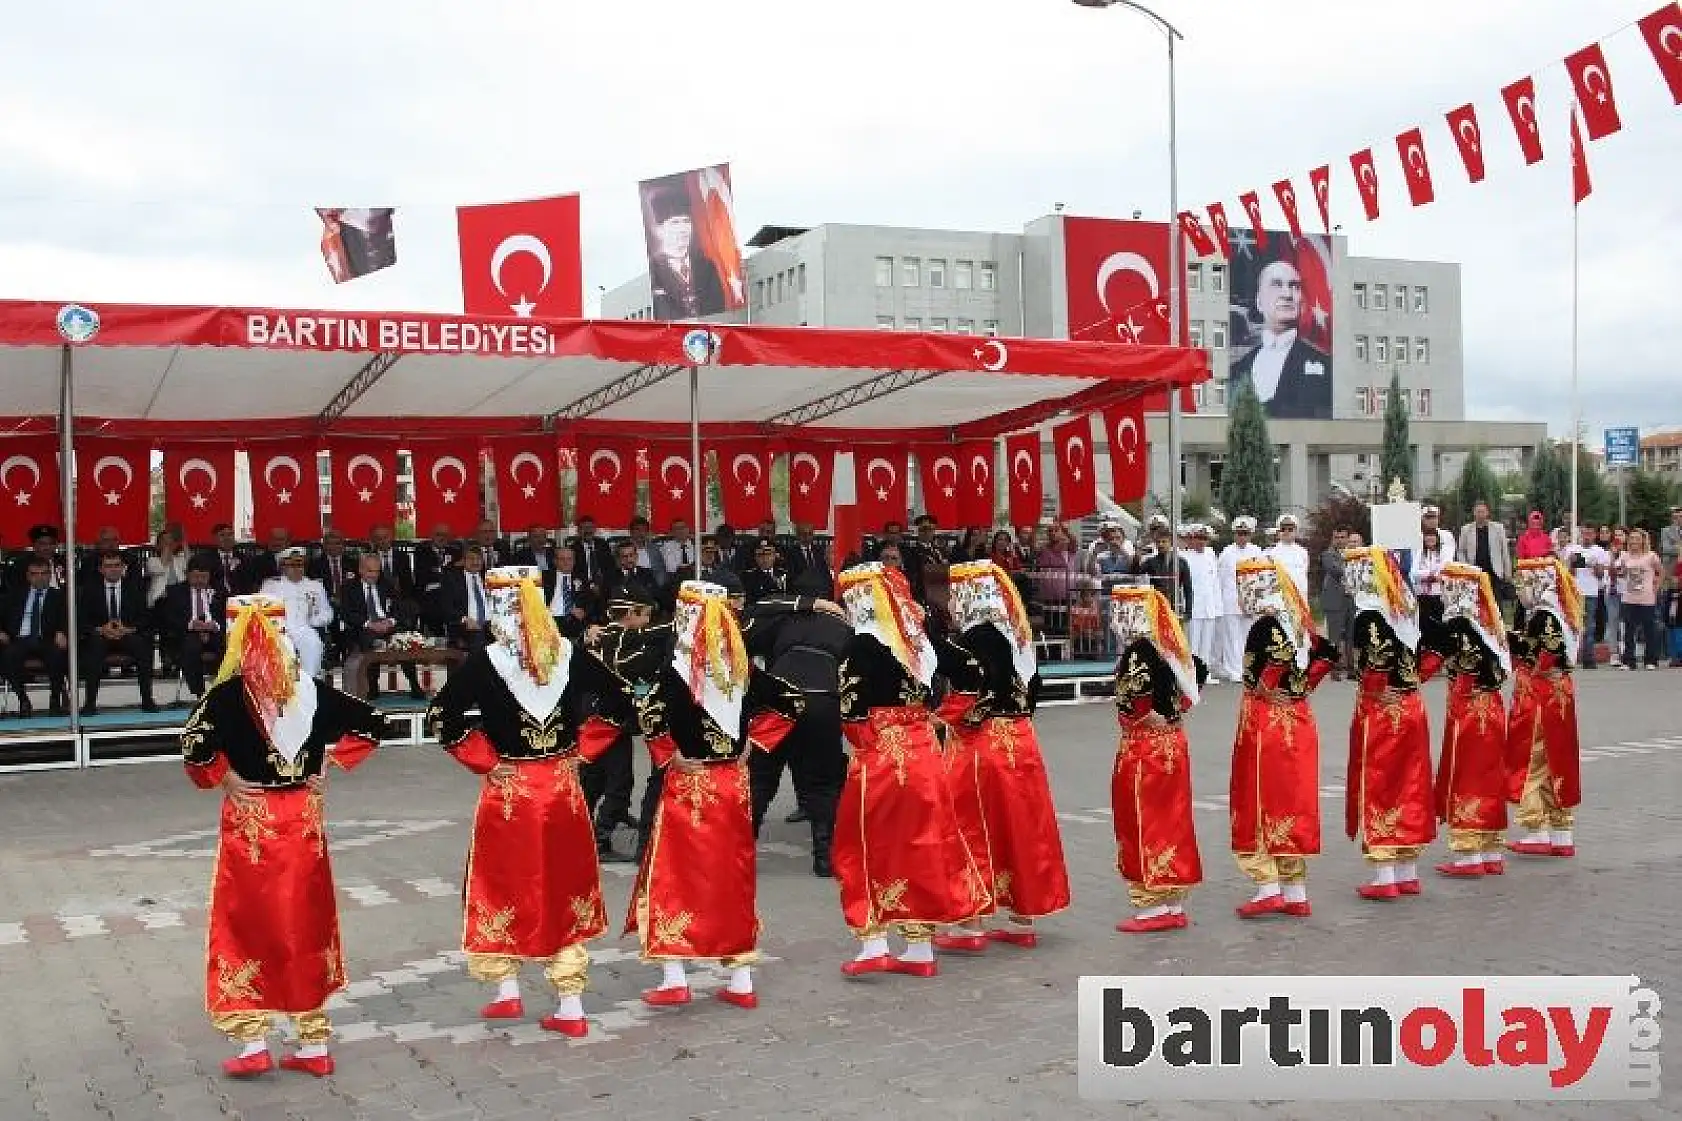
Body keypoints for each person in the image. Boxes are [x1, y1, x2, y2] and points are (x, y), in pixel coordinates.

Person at [179, 594, 384, 1078]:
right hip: (302, 819)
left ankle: (253, 1041)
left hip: (252, 821)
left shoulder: (227, 695)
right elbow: (375, 722)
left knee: (247, 924)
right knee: (305, 920)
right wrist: (330, 760)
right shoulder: (310, 690)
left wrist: (224, 776)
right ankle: (313, 1042)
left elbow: (192, 746)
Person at [422, 567, 630, 1037]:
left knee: (502, 884)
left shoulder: (485, 660)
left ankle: (507, 989)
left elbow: (442, 713)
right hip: (560, 787)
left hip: (510, 790)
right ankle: (569, 1003)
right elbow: (620, 700)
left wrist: (483, 758)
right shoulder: (569, 653)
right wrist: (583, 749)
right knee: (564, 884)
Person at [602, 581, 802, 1009]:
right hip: (733, 786)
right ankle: (741, 978)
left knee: (674, 876)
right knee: (732, 876)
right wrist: (753, 742)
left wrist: (666, 753)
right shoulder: (739, 667)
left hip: (689, 787)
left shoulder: (674, 669)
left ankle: (675, 975)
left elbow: (648, 712)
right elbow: (790, 700)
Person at [833, 562, 989, 979]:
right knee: (922, 844)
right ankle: (919, 948)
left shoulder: (861, 644)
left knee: (864, 844)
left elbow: (851, 713)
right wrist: (944, 715)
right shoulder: (918, 637)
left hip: (883, 755)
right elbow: (972, 674)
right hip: (923, 750)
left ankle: (874, 943)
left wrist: (865, 742)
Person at [932, 561, 1070, 951]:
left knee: (968, 828)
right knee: (1019, 829)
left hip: (981, 746)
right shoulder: (1017, 636)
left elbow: (973, 694)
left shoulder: (974, 639)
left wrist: (938, 720)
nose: (951, 602)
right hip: (1021, 743)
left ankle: (969, 923)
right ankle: (1021, 919)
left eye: (955, 594)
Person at [1229, 557, 1338, 919]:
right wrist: (1301, 687)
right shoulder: (1296, 621)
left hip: (1267, 723)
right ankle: (1295, 890)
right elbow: (1326, 654)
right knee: (1293, 799)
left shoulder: (1265, 625)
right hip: (1298, 718)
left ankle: (1268, 887)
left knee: (1260, 796)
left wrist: (1266, 686)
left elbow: (1275, 661)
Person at [1343, 545, 1440, 900]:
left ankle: (1385, 873)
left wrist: (1375, 688)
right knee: (1410, 784)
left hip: (1384, 712)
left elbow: (1377, 657)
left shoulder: (1369, 615)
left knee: (1381, 784)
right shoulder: (1403, 608)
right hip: (1411, 706)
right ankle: (1407, 871)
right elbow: (1432, 646)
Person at [1108, 583, 1205, 933]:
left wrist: (1143, 717)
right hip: (1173, 745)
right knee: (1172, 820)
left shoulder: (1138, 652)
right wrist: (1173, 712)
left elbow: (1134, 702)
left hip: (1145, 750)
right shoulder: (1167, 647)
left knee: (1141, 820)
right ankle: (1173, 900)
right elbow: (1198, 670)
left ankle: (1151, 905)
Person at [741, 589, 852, 877]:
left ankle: (739, 853)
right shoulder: (846, 626)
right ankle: (824, 858)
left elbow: (752, 616)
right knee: (823, 782)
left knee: (760, 777)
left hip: (779, 697)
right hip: (823, 699)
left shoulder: (786, 618)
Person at [1429, 563, 1512, 879]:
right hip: (1492, 707)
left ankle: (1469, 853)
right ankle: (1491, 850)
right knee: (1489, 775)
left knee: (1467, 775)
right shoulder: (1487, 623)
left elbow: (1454, 666)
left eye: (1446, 586)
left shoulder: (1459, 625)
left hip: (1469, 711)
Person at [1505, 557, 1584, 859]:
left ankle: (1536, 828)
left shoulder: (1544, 616)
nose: (1520, 589)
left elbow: (1545, 656)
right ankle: (1562, 833)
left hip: (1541, 694)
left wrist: (1514, 645)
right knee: (1558, 759)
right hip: (1559, 693)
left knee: (1533, 757)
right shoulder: (1560, 611)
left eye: (1524, 582)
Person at [579, 583, 659, 863]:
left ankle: (582, 832)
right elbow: (637, 681)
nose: (647, 621)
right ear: (630, 613)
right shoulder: (628, 642)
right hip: (611, 722)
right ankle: (600, 839)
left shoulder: (594, 638)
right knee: (619, 784)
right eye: (645, 614)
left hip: (589, 720)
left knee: (591, 781)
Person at [1227, 258, 1332, 419]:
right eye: (1276, 284)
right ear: (1259, 302)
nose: (1287, 294)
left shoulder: (1325, 366)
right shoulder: (1237, 370)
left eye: (1294, 286)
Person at [80, 551, 157, 714]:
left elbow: (146, 618)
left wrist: (128, 629)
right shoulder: (89, 590)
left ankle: (147, 700)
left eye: (117, 565)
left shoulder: (135, 588)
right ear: (101, 569)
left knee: (143, 645)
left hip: (127, 634)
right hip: (101, 636)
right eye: (108, 566)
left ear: (123, 568)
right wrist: (101, 629)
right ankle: (90, 703)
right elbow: (81, 620)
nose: (113, 569)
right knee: (93, 645)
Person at [0, 557, 69, 716]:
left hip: (47, 639)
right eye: (35, 574)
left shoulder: (59, 596)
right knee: (8, 655)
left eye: (44, 573)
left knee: (57, 654)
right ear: (28, 576)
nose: (39, 577)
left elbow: (69, 619)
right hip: (19, 639)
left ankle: (55, 699)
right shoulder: (14, 596)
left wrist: (62, 631)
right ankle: (23, 699)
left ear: (50, 575)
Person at [645, 187, 727, 320]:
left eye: (686, 221)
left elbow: (718, 307)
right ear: (660, 230)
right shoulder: (654, 270)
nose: (682, 229)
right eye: (675, 223)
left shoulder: (707, 266)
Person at [259, 547, 334, 681]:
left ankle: (310, 682)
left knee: (314, 645)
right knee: (283, 656)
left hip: (305, 628)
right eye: (291, 565)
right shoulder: (271, 585)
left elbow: (328, 612)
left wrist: (315, 620)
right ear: (282, 567)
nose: (297, 569)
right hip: (280, 631)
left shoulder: (315, 585)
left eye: (300, 565)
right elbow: (261, 612)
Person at [161, 561, 226, 701]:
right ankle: (200, 693)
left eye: (204, 577)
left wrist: (215, 625)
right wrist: (191, 625)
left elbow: (227, 615)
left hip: (214, 632)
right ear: (187, 575)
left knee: (229, 647)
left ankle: (224, 690)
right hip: (187, 632)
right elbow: (169, 618)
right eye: (196, 577)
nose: (200, 581)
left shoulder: (220, 591)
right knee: (191, 648)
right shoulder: (175, 591)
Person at [1215, 517, 1264, 683]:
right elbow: (1221, 580)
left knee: (1249, 636)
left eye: (1245, 533)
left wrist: (1254, 601)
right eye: (1239, 533)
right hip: (1231, 600)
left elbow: (1260, 578)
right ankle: (1233, 670)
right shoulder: (1227, 553)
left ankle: (1248, 668)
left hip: (1251, 601)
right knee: (1231, 637)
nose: (1242, 537)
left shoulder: (1257, 552)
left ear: (1250, 535)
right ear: (1234, 534)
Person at [1616, 529, 1663, 670]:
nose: (1634, 541)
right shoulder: (1625, 556)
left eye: (1637, 538)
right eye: (1631, 538)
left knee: (1649, 630)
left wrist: (1656, 588)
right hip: (1629, 597)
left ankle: (1651, 660)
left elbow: (1661, 572)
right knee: (1629, 631)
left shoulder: (1651, 556)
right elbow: (1621, 573)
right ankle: (1628, 661)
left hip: (1646, 598)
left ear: (1643, 540)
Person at [1562, 526, 1607, 669]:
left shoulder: (1599, 551)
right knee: (1571, 625)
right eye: (1585, 533)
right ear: (1581, 534)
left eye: (1590, 533)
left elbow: (1600, 575)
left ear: (1595, 535)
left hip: (1591, 592)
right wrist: (1572, 562)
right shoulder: (1572, 549)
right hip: (1574, 592)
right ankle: (1570, 656)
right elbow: (1568, 573)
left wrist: (1595, 565)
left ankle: (1589, 658)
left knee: (1589, 626)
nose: (1587, 536)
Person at [1183, 525, 1223, 676]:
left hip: (1209, 607)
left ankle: (1204, 673)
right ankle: (1192, 674)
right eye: (1198, 538)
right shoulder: (1184, 557)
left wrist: (1218, 607)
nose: (1201, 541)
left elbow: (1215, 583)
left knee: (1207, 644)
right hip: (1193, 607)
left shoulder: (1211, 555)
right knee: (1192, 644)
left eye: (1204, 538)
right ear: (1191, 539)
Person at [1457, 501, 1512, 612]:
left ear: (1487, 513)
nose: (1480, 514)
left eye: (1483, 511)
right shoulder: (1466, 529)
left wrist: (1507, 572)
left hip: (1494, 572)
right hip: (1474, 573)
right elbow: (1461, 551)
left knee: (1496, 605)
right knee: (1476, 605)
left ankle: (1497, 623)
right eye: (1478, 512)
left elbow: (1504, 551)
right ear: (1474, 513)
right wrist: (1466, 568)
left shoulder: (1498, 528)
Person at [1411, 506, 1455, 625]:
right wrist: (1430, 575)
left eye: (1434, 517)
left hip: (1440, 590)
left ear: (1438, 518)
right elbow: (1414, 567)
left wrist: (1437, 574)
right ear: (1423, 519)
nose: (1431, 521)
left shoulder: (1446, 535)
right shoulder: (1416, 536)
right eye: (1428, 518)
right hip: (1421, 590)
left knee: (1441, 620)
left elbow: (1447, 562)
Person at [1319, 527, 1352, 678]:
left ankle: (1351, 668)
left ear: (1347, 538)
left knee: (1351, 635)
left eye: (1343, 537)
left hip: (1351, 599)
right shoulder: (1327, 555)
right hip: (1334, 600)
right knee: (1334, 637)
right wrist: (1352, 564)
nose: (1340, 540)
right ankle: (1334, 669)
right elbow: (1335, 570)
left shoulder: (1354, 553)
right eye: (1337, 537)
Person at [1266, 514, 1310, 601]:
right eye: (1283, 529)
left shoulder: (1303, 552)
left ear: (1296, 531)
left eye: (1290, 529)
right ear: (1278, 532)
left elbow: (1304, 573)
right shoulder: (1270, 553)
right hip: (1279, 600)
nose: (1286, 532)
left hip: (1300, 599)